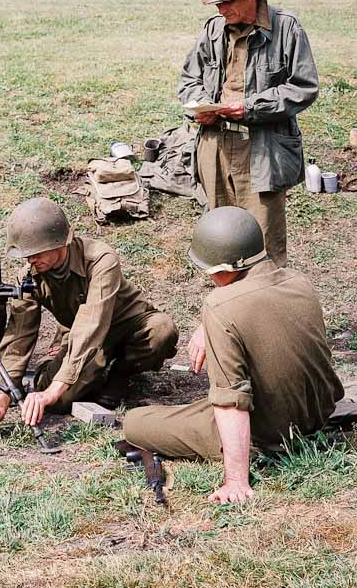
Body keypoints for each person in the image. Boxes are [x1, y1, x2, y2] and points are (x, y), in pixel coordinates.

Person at [121, 207, 344, 503]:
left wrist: (236, 480)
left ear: (220, 267)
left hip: (268, 433)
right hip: (317, 415)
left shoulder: (220, 305)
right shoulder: (297, 281)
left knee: (135, 423)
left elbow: (231, 400)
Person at [0, 197, 178, 432]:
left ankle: (120, 376)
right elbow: (18, 340)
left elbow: (92, 323)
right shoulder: (30, 277)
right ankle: (63, 371)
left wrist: (53, 390)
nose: (30, 260)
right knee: (60, 401)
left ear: (61, 241)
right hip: (85, 339)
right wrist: (3, 399)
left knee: (161, 330)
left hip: (126, 326)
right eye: (26, 255)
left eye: (37, 253)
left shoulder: (100, 260)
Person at [178, 0, 319, 269]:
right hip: (215, 149)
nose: (221, 9)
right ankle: (228, 311)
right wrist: (199, 107)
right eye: (216, 4)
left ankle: (267, 311)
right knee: (219, 238)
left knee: (263, 245)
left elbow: (304, 87)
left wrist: (250, 108)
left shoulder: (286, 29)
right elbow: (188, 79)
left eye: (226, 2)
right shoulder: (213, 30)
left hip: (261, 152)